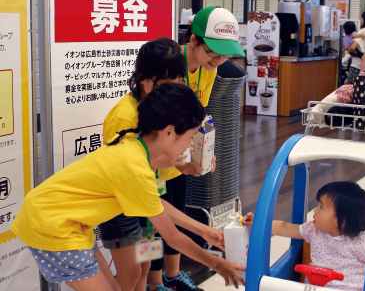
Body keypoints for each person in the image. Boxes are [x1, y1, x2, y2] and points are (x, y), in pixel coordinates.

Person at [11, 83, 246, 291]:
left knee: (138, 269)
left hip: (68, 220)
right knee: (132, 270)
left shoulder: (137, 149)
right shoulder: (135, 168)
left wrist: (204, 231)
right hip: (52, 225)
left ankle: (157, 283)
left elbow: (155, 202)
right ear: (168, 132)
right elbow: (172, 236)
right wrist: (217, 263)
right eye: (190, 137)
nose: (189, 146)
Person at [98, 38, 208, 291]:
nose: (170, 91)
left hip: (151, 194)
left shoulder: (159, 106)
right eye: (164, 84)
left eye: (178, 83)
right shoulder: (124, 117)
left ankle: (155, 284)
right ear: (142, 77)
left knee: (145, 264)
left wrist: (182, 164)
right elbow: (128, 168)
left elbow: (159, 154)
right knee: (130, 272)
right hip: (125, 206)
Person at [148, 6, 245, 291]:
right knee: (155, 225)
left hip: (180, 153)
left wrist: (204, 150)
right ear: (193, 41)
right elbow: (155, 121)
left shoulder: (208, 69)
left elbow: (199, 112)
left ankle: (173, 275)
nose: (219, 59)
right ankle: (154, 284)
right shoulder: (168, 67)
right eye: (213, 51)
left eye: (225, 53)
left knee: (178, 217)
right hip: (157, 156)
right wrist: (176, 160)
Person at [242, 181, 365, 291]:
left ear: (342, 221)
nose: (315, 211)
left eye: (322, 207)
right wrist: (259, 221)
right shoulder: (313, 231)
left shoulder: (361, 243)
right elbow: (285, 228)